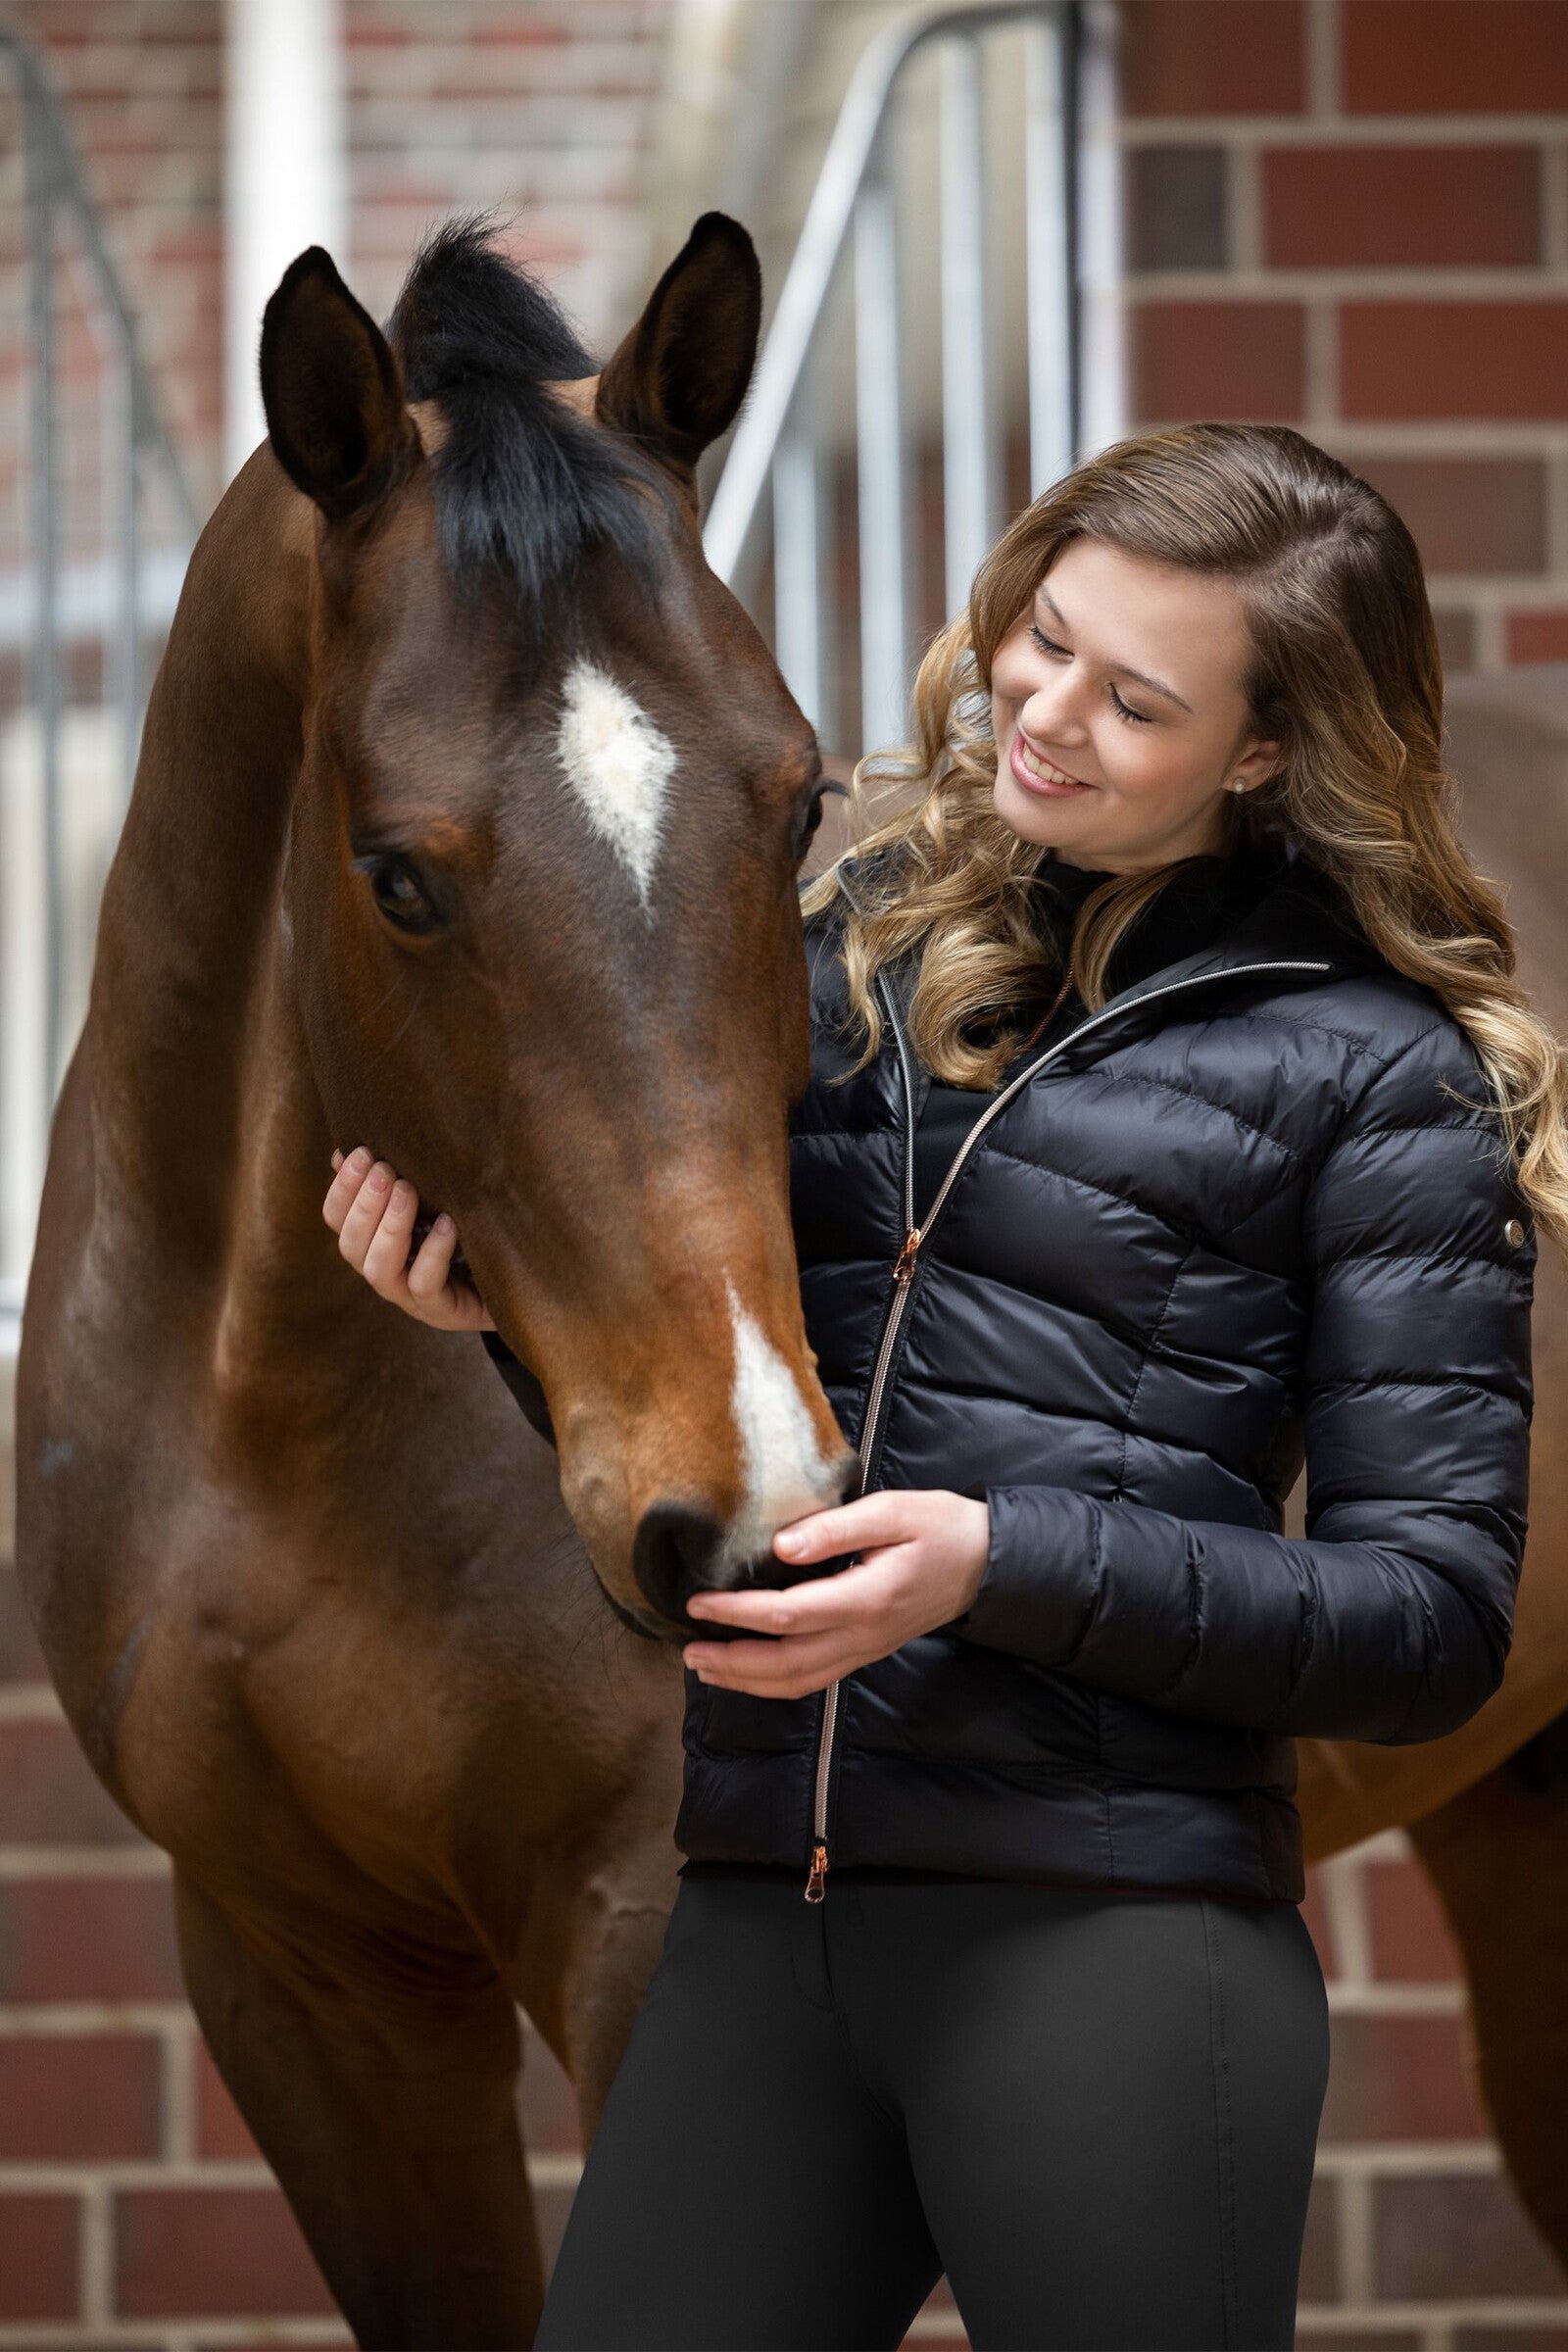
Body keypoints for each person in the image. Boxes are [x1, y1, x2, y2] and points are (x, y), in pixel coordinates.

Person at [320, 423, 1558, 2351]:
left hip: (1113, 1963)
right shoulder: (850, 970)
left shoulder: (1375, 1080)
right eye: (1039, 637)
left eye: (1131, 697)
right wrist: (478, 1312)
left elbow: (1423, 1625)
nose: (1042, 715)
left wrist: (989, 1562)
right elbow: (747, 1422)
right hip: (761, 1933)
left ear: (1261, 751)